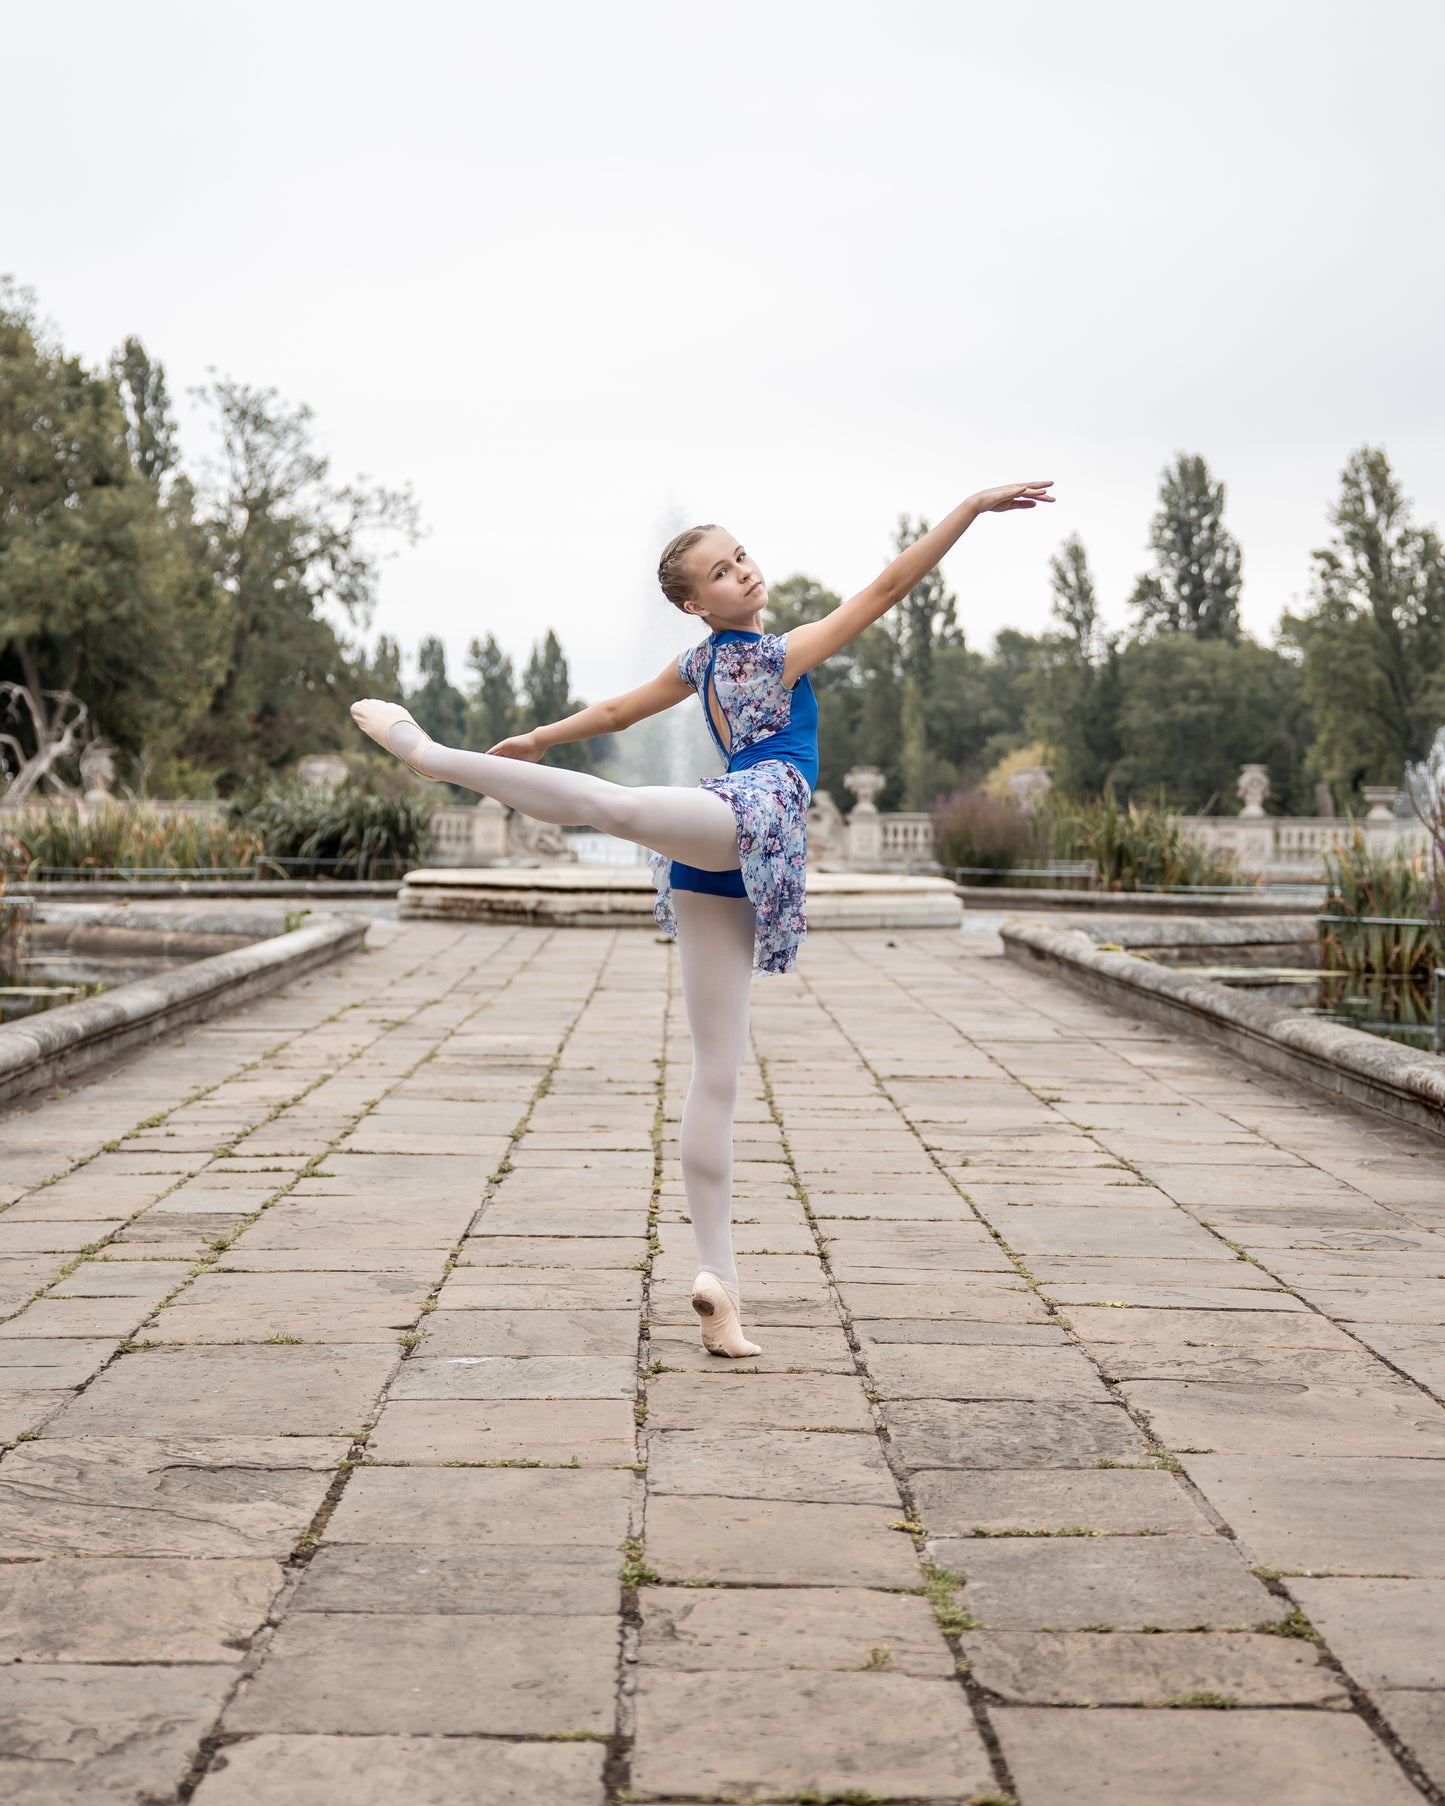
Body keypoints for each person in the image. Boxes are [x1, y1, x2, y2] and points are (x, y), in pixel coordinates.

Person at [351, 480, 1053, 1355]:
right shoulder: (775, 655)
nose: (742, 574)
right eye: (720, 573)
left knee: (717, 1070)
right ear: (694, 604)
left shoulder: (706, 665)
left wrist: (540, 738)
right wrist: (969, 508)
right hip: (751, 817)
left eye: (742, 556)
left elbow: (612, 712)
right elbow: (885, 591)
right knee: (622, 813)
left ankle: (717, 1283)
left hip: (728, 850)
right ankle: (432, 756)